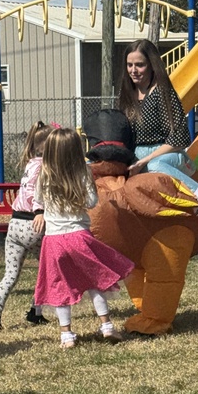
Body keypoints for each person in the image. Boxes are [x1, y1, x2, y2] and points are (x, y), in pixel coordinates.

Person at [33, 127, 134, 348]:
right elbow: (91, 203)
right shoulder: (83, 173)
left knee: (60, 287)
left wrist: (41, 212)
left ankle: (66, 335)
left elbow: (38, 200)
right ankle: (106, 325)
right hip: (79, 237)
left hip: (54, 241)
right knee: (95, 281)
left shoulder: (44, 175)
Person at [118, 38, 198, 207]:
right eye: (130, 65)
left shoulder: (162, 92)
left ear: (151, 65)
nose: (133, 70)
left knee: (155, 165)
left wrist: (145, 161)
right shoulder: (127, 95)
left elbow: (179, 138)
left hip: (167, 155)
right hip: (137, 156)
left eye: (139, 65)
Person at [0, 121, 52, 332]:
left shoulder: (30, 163)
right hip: (33, 223)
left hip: (14, 224)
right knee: (47, 270)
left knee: (10, 274)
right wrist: (40, 211)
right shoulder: (45, 167)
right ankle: (36, 310)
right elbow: (37, 192)